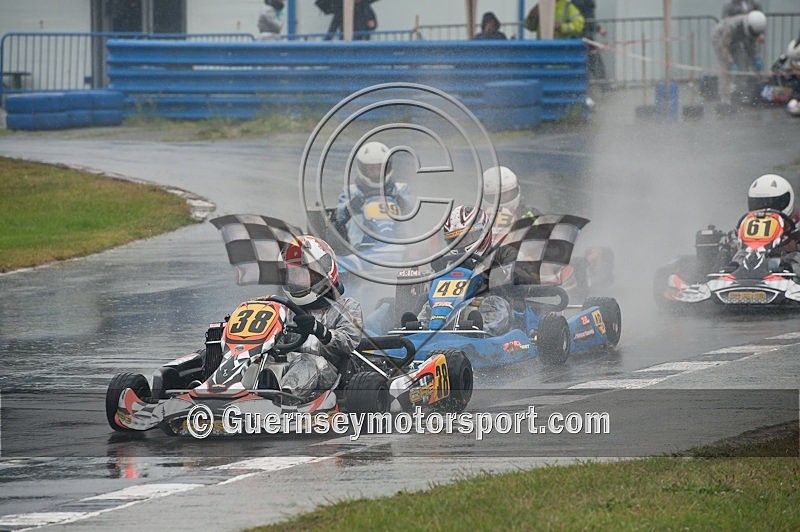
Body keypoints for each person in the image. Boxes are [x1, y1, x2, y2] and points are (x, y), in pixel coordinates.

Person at [277, 235, 364, 401]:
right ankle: (232, 394)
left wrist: (319, 330)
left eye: (302, 274)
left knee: (308, 360)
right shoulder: (285, 310)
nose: (296, 281)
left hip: (331, 372)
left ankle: (283, 399)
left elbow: (348, 341)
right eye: (292, 275)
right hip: (289, 365)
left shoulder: (347, 307)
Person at [411, 205, 513, 336]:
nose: (461, 244)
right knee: (427, 301)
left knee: (495, 303)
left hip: (484, 309)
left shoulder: (499, 256)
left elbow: (514, 282)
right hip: (452, 311)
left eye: (466, 238)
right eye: (455, 240)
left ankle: (482, 333)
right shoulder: (448, 265)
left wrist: (497, 278)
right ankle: (419, 331)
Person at [334, 141, 412, 248]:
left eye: (380, 168)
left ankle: (407, 247)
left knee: (409, 225)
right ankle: (360, 247)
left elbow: (414, 215)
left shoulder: (400, 189)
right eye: (372, 169)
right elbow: (339, 218)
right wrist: (351, 207)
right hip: (361, 250)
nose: (377, 173)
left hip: (400, 244)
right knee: (355, 219)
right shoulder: (351, 192)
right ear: (363, 169)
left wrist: (400, 201)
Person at [729, 174, 800, 276]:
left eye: (774, 203)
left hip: (784, 265)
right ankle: (732, 273)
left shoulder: (795, 223)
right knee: (740, 254)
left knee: (795, 257)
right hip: (751, 262)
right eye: (759, 203)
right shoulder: (746, 224)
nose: (766, 209)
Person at [712, 10, 767, 104]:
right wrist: (731, 62)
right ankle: (725, 98)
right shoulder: (732, 26)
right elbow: (725, 46)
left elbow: (751, 46)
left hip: (736, 40)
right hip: (721, 39)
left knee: (742, 64)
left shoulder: (753, 27)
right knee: (725, 67)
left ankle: (739, 92)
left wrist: (756, 59)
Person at [572, 0, 607, 83]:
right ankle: (601, 85)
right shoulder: (578, 3)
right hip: (582, 34)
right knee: (592, 61)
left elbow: (590, 17)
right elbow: (586, 16)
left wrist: (597, 28)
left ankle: (602, 85)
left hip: (587, 34)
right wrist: (597, 28)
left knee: (594, 60)